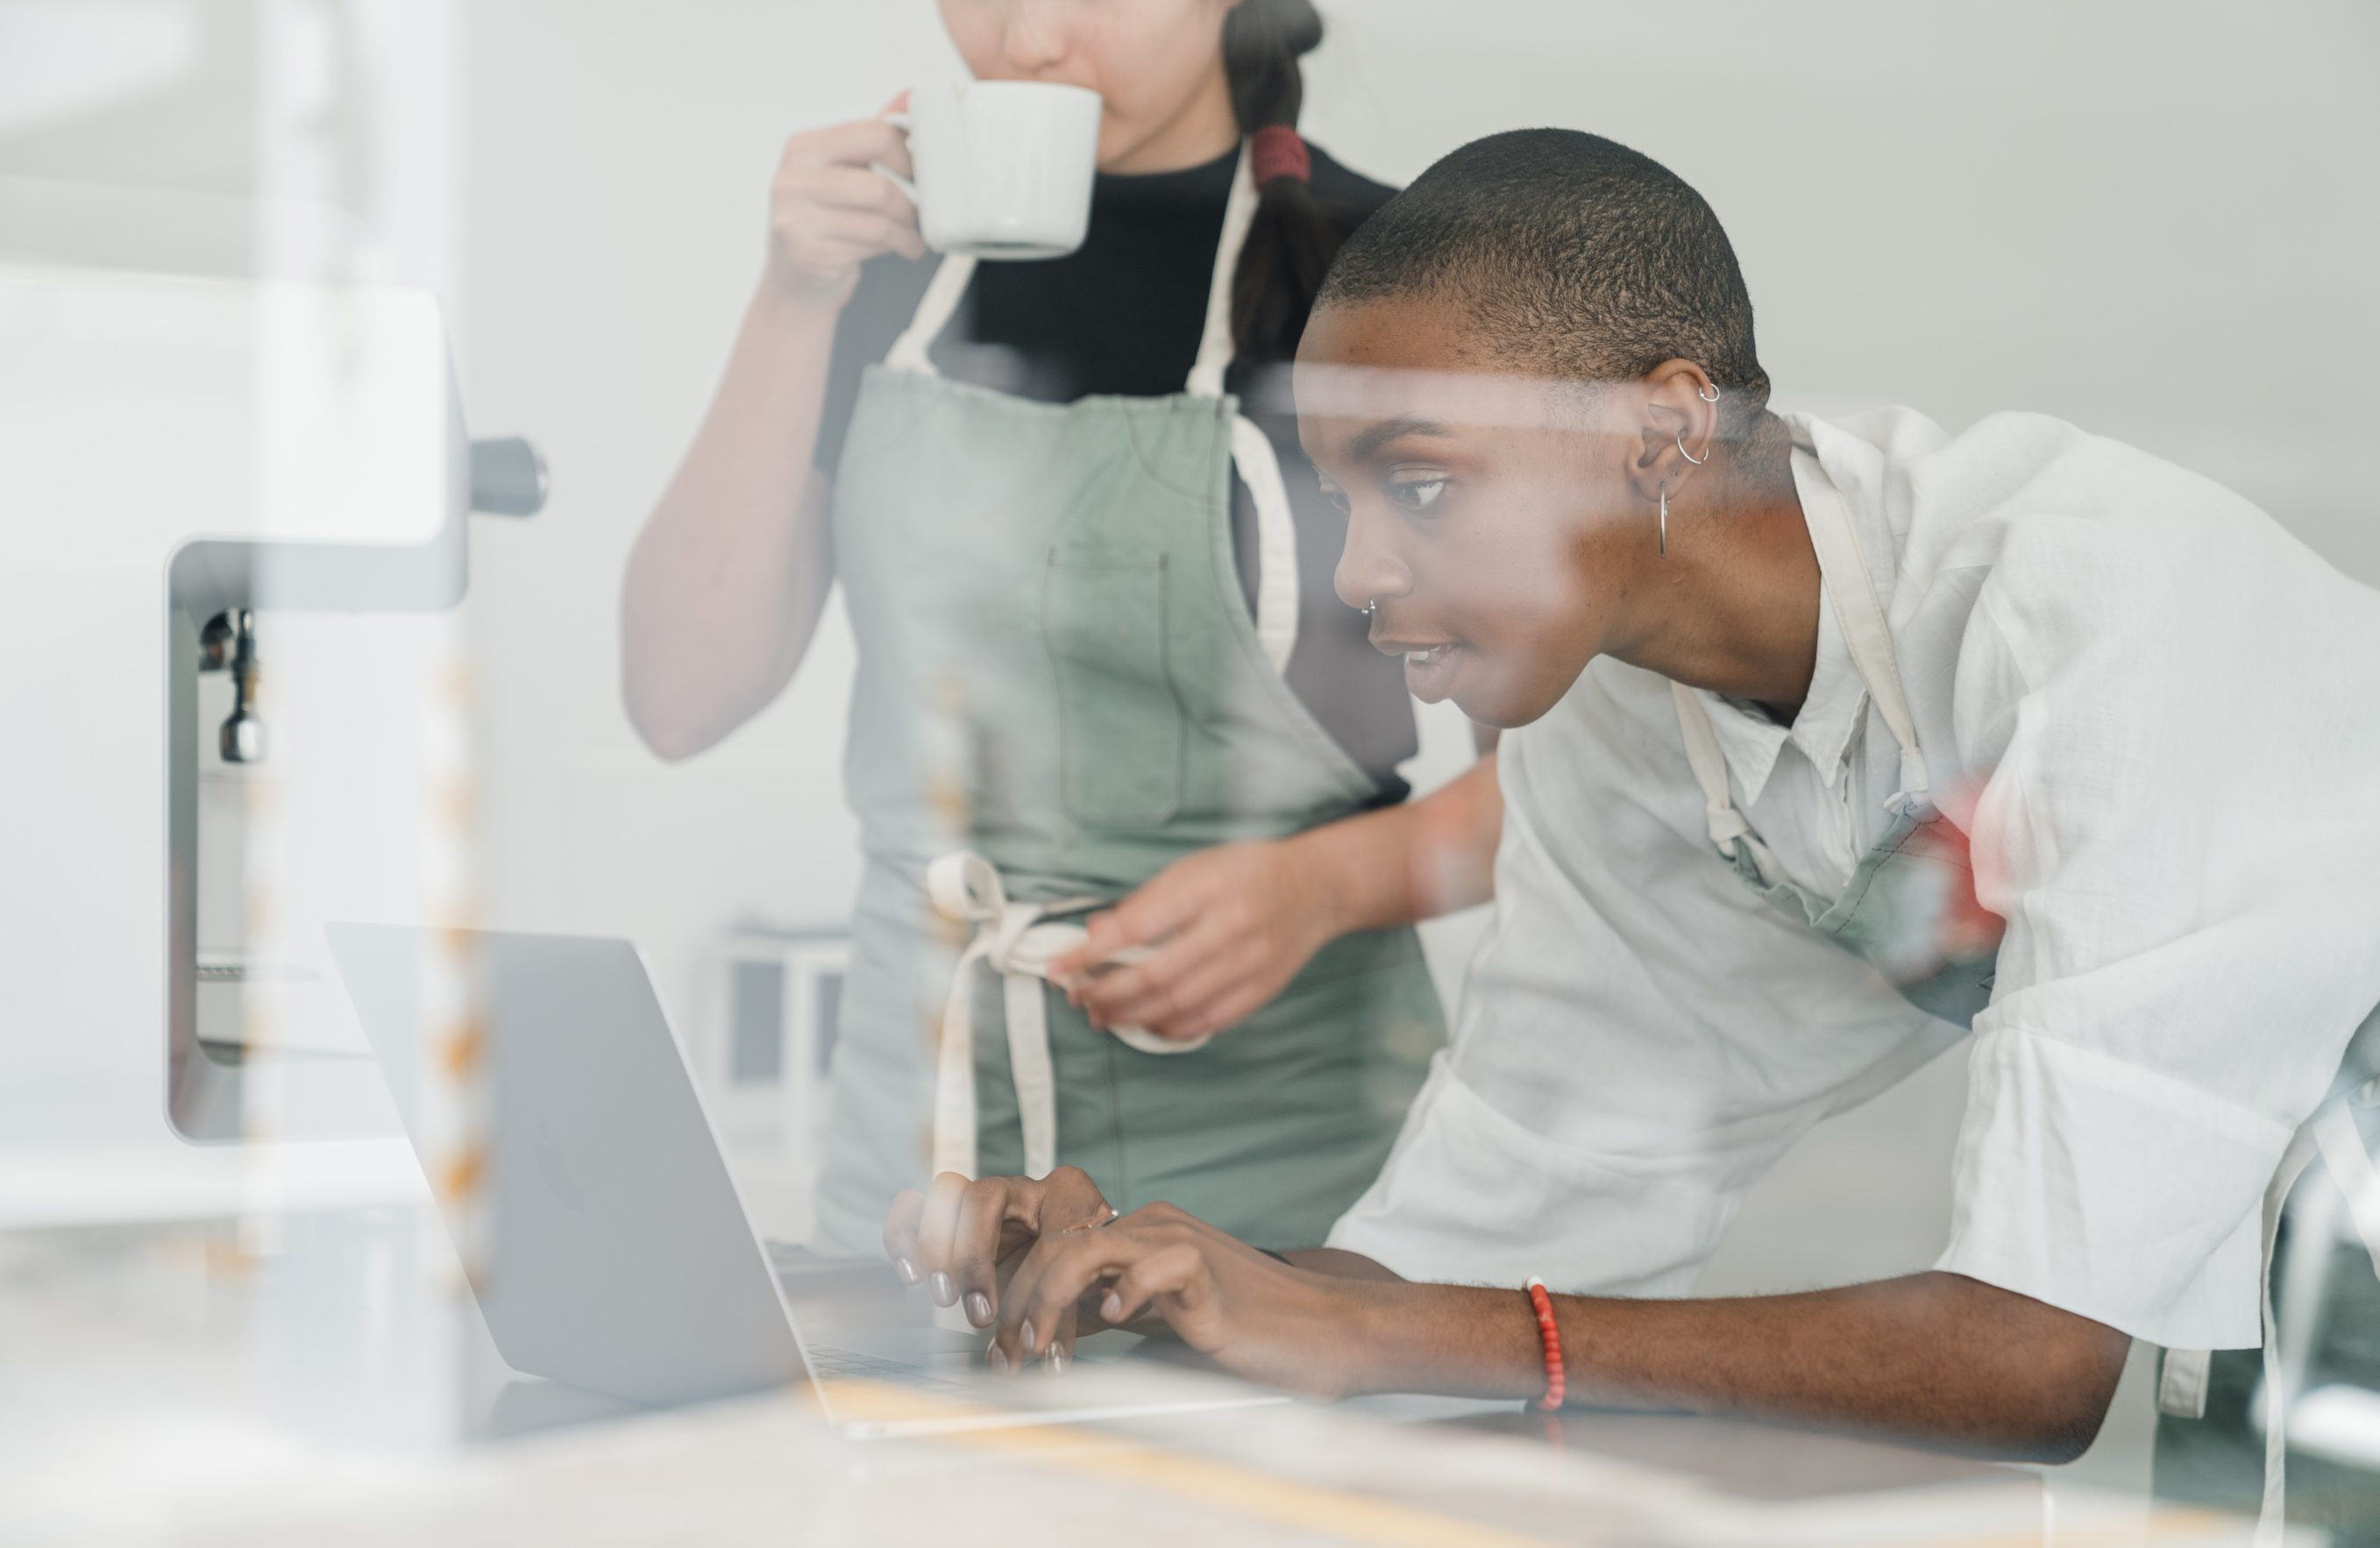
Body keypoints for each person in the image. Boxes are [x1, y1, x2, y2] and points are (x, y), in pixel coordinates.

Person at [882, 127, 2380, 1528]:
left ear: (1663, 428)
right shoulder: (1621, 733)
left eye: (1420, 483)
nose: (1356, 573)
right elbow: (1483, 1238)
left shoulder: (2094, 619)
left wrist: (1382, 1325)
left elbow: (2031, 1360)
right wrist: (1164, 1287)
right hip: (2300, 1276)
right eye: (1346, 500)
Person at [622, 1, 1502, 1259]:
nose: (1025, 42)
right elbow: (676, 692)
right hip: (913, 1177)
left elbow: (1578, 795)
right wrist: (792, 297)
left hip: (1297, 1203)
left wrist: (1320, 886)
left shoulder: (1391, 277)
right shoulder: (880, 266)